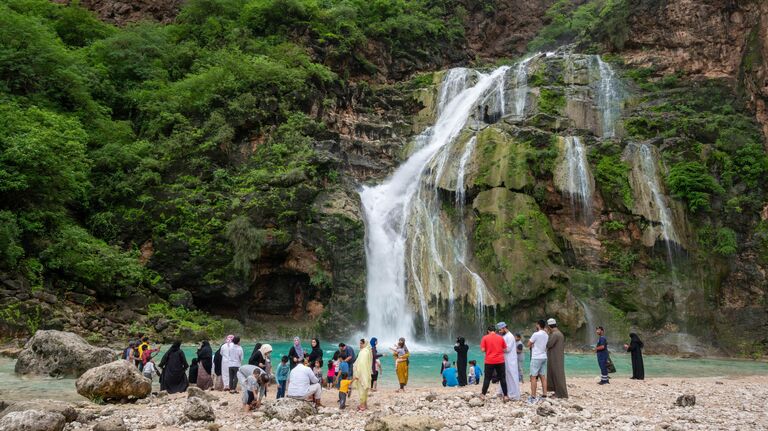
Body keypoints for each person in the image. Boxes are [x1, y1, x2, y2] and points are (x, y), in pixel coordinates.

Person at [480, 325, 508, 400]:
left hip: (489, 361)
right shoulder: (500, 337)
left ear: (488, 331)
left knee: (487, 378)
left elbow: (482, 350)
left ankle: (483, 395)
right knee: (502, 378)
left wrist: (488, 350)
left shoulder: (485, 337)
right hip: (500, 360)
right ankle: (505, 396)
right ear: (495, 331)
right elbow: (505, 350)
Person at [496, 322, 520, 400]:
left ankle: (514, 395)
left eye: (500, 330)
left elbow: (508, 349)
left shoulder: (509, 336)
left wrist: (497, 349)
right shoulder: (505, 336)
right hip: (505, 359)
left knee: (512, 376)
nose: (499, 332)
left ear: (504, 328)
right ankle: (504, 392)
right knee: (505, 376)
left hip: (510, 360)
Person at [545, 318, 568, 398]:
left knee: (557, 375)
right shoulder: (559, 333)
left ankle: (560, 394)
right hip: (557, 357)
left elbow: (548, 344)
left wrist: (547, 334)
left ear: (549, 326)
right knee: (556, 374)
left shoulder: (555, 334)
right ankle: (558, 392)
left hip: (555, 358)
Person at [528, 320, 549, 403]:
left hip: (536, 357)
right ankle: (544, 395)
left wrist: (532, 344)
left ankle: (533, 396)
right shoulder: (546, 334)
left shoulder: (536, 334)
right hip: (544, 357)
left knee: (533, 377)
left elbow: (528, 344)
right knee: (543, 376)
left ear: (538, 325)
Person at [352, 338, 372, 411]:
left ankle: (362, 405)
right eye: (360, 343)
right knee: (365, 388)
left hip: (362, 373)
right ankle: (365, 404)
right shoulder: (367, 351)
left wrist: (358, 374)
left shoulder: (363, 352)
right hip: (366, 373)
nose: (360, 345)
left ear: (365, 344)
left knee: (362, 389)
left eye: (361, 343)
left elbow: (362, 364)